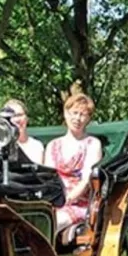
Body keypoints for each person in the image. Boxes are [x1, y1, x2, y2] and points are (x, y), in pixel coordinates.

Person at [46, 87, 102, 233]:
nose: (77, 118)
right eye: (74, 113)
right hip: (53, 201)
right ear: (65, 114)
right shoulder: (53, 145)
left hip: (79, 204)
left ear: (88, 119)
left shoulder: (92, 144)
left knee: (52, 223)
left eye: (83, 115)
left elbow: (86, 180)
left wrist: (67, 199)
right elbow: (48, 178)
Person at [0, 98, 45, 165]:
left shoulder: (37, 146)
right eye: (13, 116)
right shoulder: (0, 146)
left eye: (20, 115)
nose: (17, 120)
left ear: (27, 118)